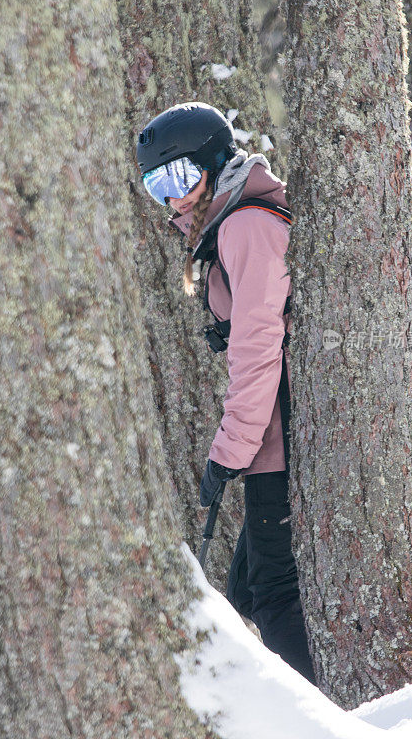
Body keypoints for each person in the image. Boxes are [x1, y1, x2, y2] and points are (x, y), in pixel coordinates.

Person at [137, 102, 315, 684]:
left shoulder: (244, 226)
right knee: (239, 596)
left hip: (280, 435)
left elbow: (259, 346)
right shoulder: (228, 220)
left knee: (272, 596)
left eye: (180, 178)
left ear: (214, 162)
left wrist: (228, 452)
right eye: (155, 184)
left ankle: (322, 720)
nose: (170, 198)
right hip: (272, 432)